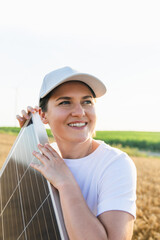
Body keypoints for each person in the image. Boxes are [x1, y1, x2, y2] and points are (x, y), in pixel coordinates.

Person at [16, 66, 137, 240]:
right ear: (42, 115)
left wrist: (65, 183)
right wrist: (27, 139)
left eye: (87, 102)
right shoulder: (41, 159)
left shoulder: (115, 164)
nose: (80, 112)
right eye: (65, 102)